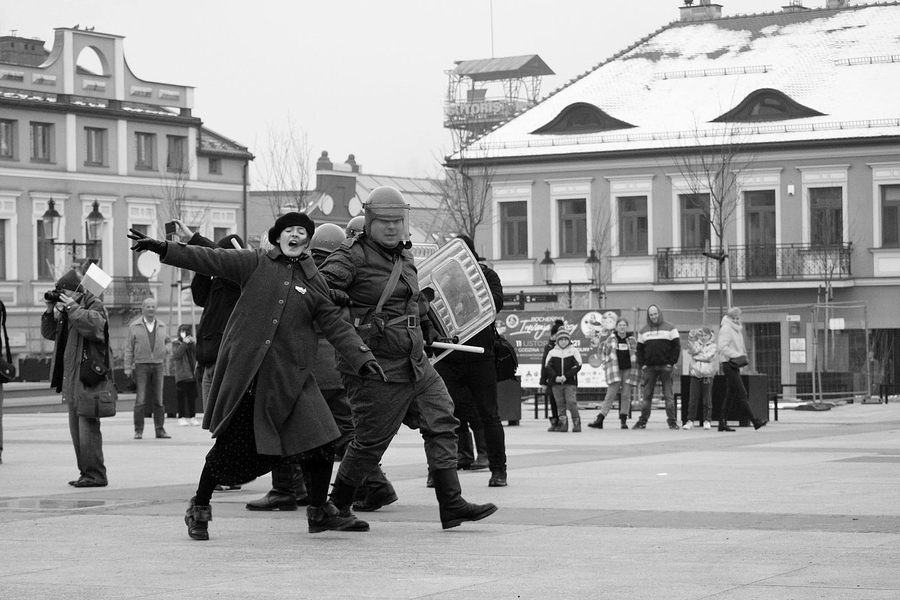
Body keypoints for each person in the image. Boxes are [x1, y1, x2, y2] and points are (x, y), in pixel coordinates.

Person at [128, 211, 387, 539]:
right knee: (230, 450)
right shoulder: (254, 262)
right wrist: (166, 248)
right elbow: (209, 258)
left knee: (322, 440)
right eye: (289, 231)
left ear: (307, 241)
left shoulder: (313, 278)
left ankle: (320, 511)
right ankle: (199, 506)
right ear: (278, 237)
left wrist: (362, 358)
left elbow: (335, 325)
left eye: (301, 233)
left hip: (294, 379)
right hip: (253, 377)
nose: (295, 237)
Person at [319, 186, 498, 530]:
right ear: (370, 221)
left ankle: (451, 503)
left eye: (397, 220)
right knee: (371, 442)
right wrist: (348, 310)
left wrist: (429, 326)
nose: (391, 227)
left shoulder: (405, 256)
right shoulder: (350, 256)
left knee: (443, 418)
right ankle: (336, 506)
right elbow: (319, 292)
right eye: (384, 221)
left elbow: (413, 302)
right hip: (376, 366)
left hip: (415, 361)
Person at [434, 234, 507, 487]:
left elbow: (495, 304)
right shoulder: (439, 277)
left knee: (489, 415)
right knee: (442, 414)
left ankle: (498, 469)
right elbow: (425, 305)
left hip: (480, 355)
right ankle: (440, 469)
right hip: (447, 355)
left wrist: (467, 289)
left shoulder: (486, 276)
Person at [40, 269, 108, 487]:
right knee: (76, 431)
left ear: (78, 290)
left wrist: (72, 307)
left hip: (88, 377)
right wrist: (50, 310)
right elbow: (50, 334)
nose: (62, 295)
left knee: (87, 429)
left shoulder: (93, 305)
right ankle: (85, 473)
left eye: (64, 290)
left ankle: (96, 474)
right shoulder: (70, 310)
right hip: (71, 378)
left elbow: (96, 327)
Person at [124, 297, 170, 440]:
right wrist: (127, 367)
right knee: (140, 400)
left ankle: (160, 430)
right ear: (142, 309)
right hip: (141, 365)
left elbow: (168, 341)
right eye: (148, 306)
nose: (151, 309)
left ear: (156, 309)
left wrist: (166, 349)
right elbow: (129, 347)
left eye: (153, 306)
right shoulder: (134, 326)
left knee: (159, 400)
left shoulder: (162, 326)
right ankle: (138, 431)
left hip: (158, 365)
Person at [717, 307, 768, 432]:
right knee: (742, 393)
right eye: (733, 318)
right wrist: (738, 355)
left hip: (733, 364)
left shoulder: (735, 329)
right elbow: (722, 347)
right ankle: (754, 420)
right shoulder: (726, 329)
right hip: (729, 363)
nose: (735, 320)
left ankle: (721, 423)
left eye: (737, 318)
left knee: (730, 395)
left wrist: (740, 356)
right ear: (728, 318)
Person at [633, 304, 681, 430]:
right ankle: (642, 421)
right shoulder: (643, 330)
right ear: (648, 316)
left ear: (659, 313)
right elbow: (639, 350)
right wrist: (642, 364)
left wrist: (672, 362)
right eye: (651, 315)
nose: (653, 316)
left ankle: (672, 421)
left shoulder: (671, 328)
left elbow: (677, 347)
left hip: (666, 366)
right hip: (649, 367)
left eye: (655, 314)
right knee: (647, 395)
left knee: (668, 395)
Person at [590, 317, 639, 430]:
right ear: (616, 327)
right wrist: (606, 364)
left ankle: (623, 419)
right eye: (620, 325)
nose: (622, 327)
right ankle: (601, 418)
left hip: (628, 370)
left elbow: (636, 353)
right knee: (610, 394)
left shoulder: (632, 340)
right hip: (615, 370)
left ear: (626, 327)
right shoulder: (610, 339)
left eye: (624, 325)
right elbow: (603, 352)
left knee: (626, 395)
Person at [544, 329, 583, 432]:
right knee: (560, 404)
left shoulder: (574, 351)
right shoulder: (552, 352)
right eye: (561, 339)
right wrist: (555, 377)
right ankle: (563, 424)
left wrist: (566, 376)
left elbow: (578, 365)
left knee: (571, 402)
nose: (563, 341)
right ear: (557, 341)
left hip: (569, 382)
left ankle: (576, 423)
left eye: (566, 339)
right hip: (556, 383)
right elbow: (547, 366)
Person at [685, 326, 717, 430]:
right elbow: (692, 350)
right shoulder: (696, 343)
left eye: (705, 335)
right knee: (693, 399)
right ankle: (690, 420)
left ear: (710, 336)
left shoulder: (713, 346)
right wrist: (691, 338)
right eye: (701, 335)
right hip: (695, 374)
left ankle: (707, 420)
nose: (703, 337)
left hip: (707, 375)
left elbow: (708, 357)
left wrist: (696, 356)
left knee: (707, 399)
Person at [172, 324, 199, 427]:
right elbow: (177, 355)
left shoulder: (191, 343)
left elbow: (197, 353)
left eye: (187, 331)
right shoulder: (176, 343)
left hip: (192, 375)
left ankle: (192, 416)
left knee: (192, 398)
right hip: (182, 375)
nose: (185, 333)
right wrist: (184, 343)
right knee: (181, 398)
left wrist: (192, 343)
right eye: (183, 331)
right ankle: (181, 417)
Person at [542, 319, 565, 431]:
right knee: (553, 400)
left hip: (565, 379)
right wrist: (543, 381)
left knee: (562, 402)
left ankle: (562, 422)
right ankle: (554, 421)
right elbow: (544, 365)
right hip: (552, 379)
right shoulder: (549, 347)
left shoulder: (567, 346)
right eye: (557, 334)